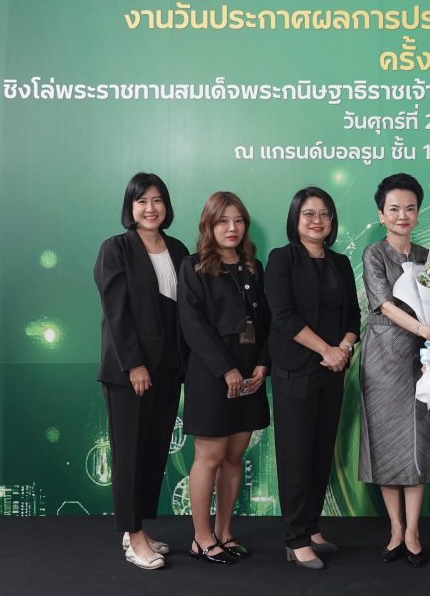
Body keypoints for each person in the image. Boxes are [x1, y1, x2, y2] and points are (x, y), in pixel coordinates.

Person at [358, 173, 430, 568]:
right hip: (383, 356)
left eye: (410, 208)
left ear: (418, 214)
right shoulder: (373, 254)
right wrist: (425, 331)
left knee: (419, 440)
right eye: (394, 209)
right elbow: (384, 305)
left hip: (424, 358)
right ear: (381, 215)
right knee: (386, 441)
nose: (402, 215)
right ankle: (395, 528)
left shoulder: (429, 257)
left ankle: (414, 530)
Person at [95, 172, 188, 570]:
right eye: (142, 201)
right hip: (130, 370)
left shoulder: (178, 249)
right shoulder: (115, 249)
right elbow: (116, 312)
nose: (151, 208)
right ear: (130, 207)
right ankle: (132, 536)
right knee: (130, 453)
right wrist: (134, 364)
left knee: (153, 452)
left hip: (169, 367)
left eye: (157, 200)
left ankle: (140, 529)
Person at [265, 187, 360, 571]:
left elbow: (353, 316)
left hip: (332, 372)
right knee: (296, 455)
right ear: (296, 219)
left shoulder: (340, 262)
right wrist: (326, 350)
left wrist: (344, 348)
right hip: (296, 371)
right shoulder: (282, 259)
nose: (317, 220)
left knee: (321, 453)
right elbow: (284, 317)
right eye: (309, 213)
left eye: (324, 214)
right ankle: (295, 539)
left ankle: (312, 526)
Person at [178, 192, 271, 565]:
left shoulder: (254, 267)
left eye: (238, 220)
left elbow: (268, 322)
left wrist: (262, 364)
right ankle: (201, 538)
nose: (232, 228)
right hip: (211, 374)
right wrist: (226, 369)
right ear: (209, 224)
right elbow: (192, 325)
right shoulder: (194, 266)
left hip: (250, 374)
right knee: (210, 455)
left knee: (235, 455)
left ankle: (225, 532)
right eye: (223, 221)